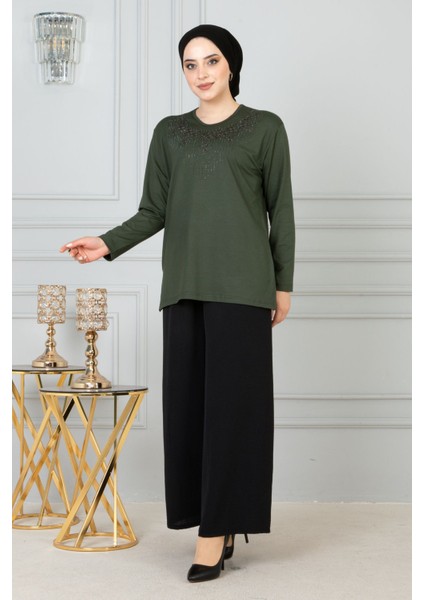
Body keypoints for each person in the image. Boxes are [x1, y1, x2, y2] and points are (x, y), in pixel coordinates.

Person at [60, 23, 295, 583]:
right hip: (184, 287)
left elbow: (280, 210)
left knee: (235, 413)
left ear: (231, 64)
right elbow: (154, 210)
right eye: (190, 64)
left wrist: (282, 285)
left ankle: (213, 534)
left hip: (244, 289)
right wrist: (107, 243)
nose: (201, 73)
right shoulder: (170, 133)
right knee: (190, 413)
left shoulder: (265, 128)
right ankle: (213, 518)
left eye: (211, 61)